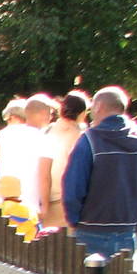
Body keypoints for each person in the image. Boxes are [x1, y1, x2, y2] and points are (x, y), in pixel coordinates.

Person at [60, 86, 137, 257]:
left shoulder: (89, 140)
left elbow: (73, 189)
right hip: (126, 228)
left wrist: (74, 220)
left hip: (90, 228)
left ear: (98, 107)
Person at [0, 97, 50, 215]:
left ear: (12, 117)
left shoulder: (5, 134)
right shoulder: (42, 136)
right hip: (32, 205)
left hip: (5, 203)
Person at [37, 90, 89, 232]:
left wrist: (44, 205)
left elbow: (43, 172)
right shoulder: (81, 137)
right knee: (70, 250)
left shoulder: (47, 132)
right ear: (82, 113)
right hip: (69, 201)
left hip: (45, 200)